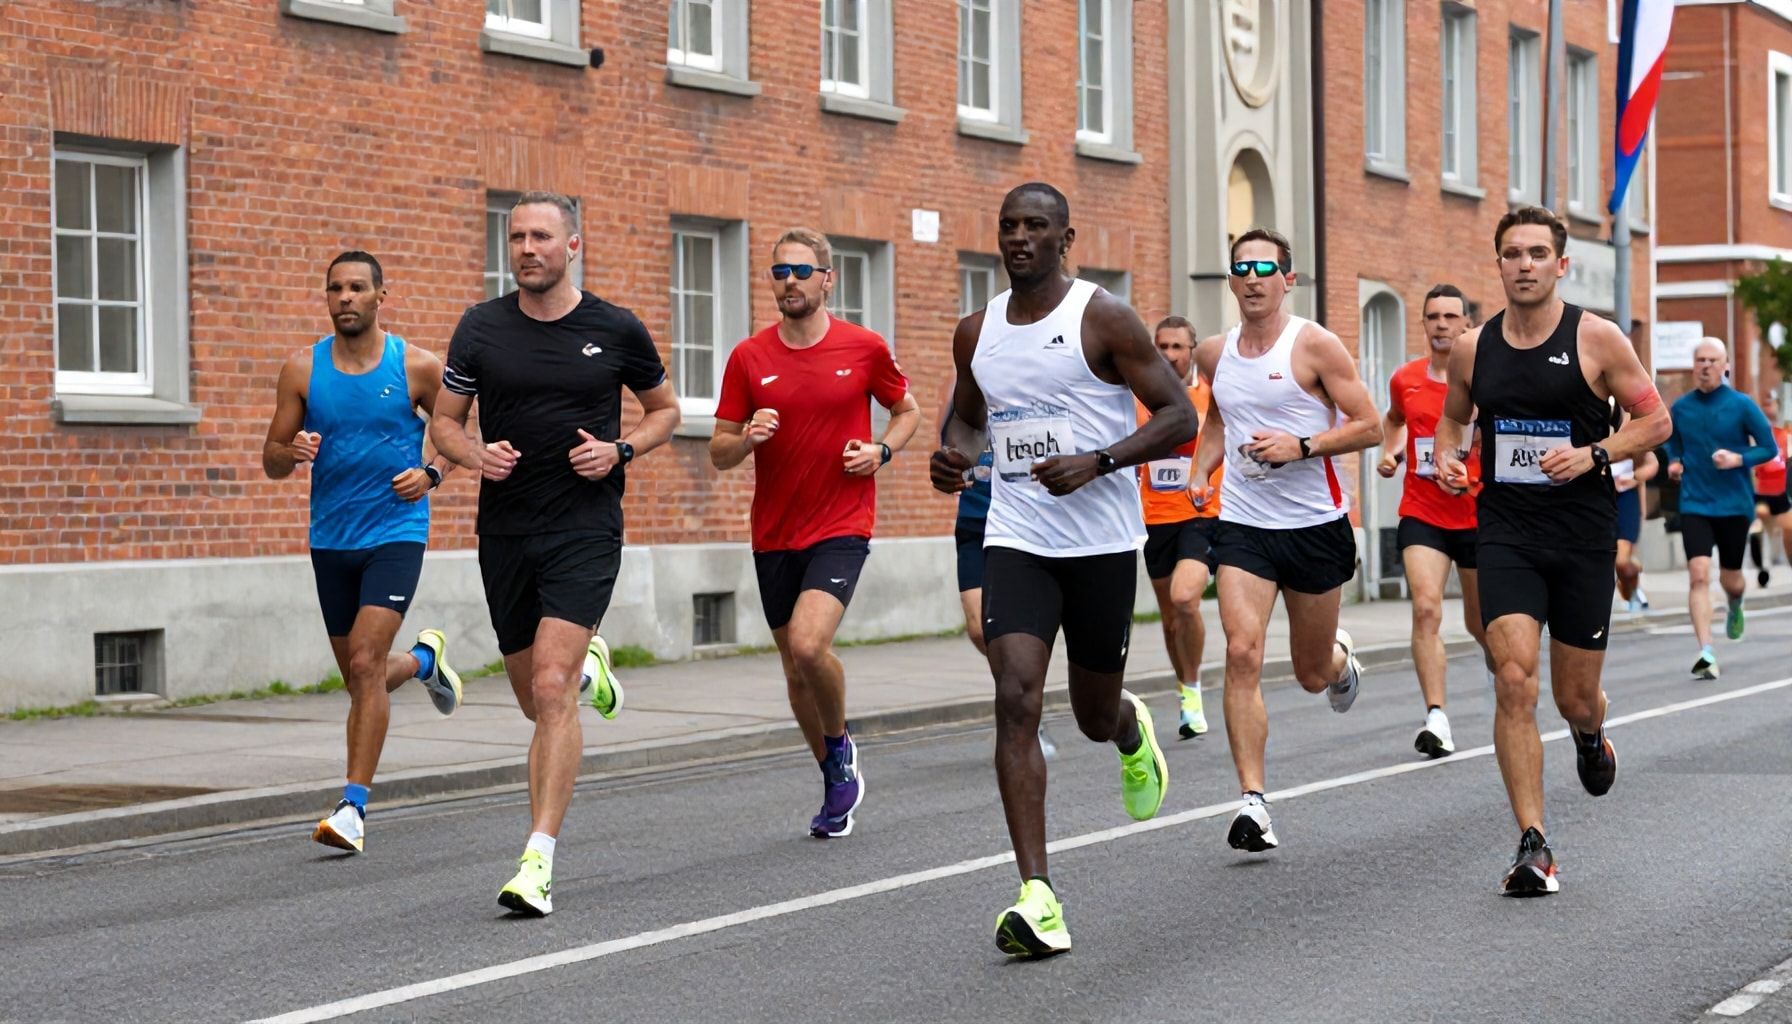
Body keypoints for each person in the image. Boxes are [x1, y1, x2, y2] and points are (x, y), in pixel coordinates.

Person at [930, 182, 1193, 958]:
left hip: (1103, 544)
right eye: (1008, 226)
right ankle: (1038, 896)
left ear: (1064, 238)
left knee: (1088, 712)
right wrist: (956, 460)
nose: (1018, 239)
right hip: (1017, 536)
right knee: (1016, 698)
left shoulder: (1102, 317)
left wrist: (1100, 461)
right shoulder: (976, 331)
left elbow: (1181, 415)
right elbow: (970, 418)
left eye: (1035, 227)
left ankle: (1127, 728)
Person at [431, 192, 680, 915]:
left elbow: (666, 411)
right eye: (516, 238)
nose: (527, 248)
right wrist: (476, 456)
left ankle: (537, 858)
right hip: (506, 531)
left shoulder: (615, 327)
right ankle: (590, 670)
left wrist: (621, 448)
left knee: (549, 687)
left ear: (574, 244)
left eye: (542, 236)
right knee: (534, 701)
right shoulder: (480, 329)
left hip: (585, 527)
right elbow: (446, 424)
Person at [1434, 205, 1671, 896]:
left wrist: (1594, 451)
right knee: (1513, 678)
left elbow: (1655, 420)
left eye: (1538, 253)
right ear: (1500, 263)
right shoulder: (1474, 347)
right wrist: (1451, 457)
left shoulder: (1597, 339)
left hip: (1581, 538)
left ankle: (1591, 733)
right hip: (1505, 532)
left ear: (1560, 264)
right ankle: (1533, 843)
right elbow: (1454, 417)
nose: (1525, 264)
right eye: (1513, 253)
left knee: (1572, 697)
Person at [711, 227, 920, 839]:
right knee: (793, 668)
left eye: (803, 271)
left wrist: (881, 452)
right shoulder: (750, 357)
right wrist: (745, 437)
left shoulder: (864, 348)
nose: (791, 282)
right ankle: (834, 769)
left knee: (808, 644)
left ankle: (840, 739)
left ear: (829, 279)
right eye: (780, 272)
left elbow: (906, 412)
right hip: (774, 532)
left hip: (841, 524)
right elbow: (719, 451)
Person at [262, 250, 464, 854]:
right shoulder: (302, 370)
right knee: (362, 677)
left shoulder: (419, 368)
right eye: (335, 289)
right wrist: (291, 450)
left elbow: (457, 435)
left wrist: (431, 474)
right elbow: (271, 460)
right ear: (326, 299)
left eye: (356, 288)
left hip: (396, 534)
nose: (345, 298)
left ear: (381, 295)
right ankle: (425, 664)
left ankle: (353, 807)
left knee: (364, 663)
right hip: (331, 539)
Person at [1190, 228, 1382, 853]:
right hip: (1244, 524)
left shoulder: (1315, 346)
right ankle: (1253, 802)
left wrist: (1302, 445)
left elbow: (1371, 425)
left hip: (1314, 526)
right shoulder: (1216, 353)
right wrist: (1201, 471)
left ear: (1288, 279)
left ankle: (1336, 662)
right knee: (1242, 651)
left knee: (1306, 671)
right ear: (1231, 279)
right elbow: (1219, 416)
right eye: (1241, 268)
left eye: (1264, 269)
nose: (1252, 278)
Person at [1374, 283, 1493, 759]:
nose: (1441, 325)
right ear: (1423, 324)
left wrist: (1472, 466)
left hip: (1478, 511)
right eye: (1433, 317)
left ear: (1466, 324)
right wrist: (1390, 451)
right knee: (1426, 608)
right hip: (1422, 511)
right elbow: (1394, 419)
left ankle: (1499, 667)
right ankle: (1437, 718)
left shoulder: (1486, 382)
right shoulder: (1405, 378)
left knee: (1482, 622)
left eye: (1450, 316)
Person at [935, 374, 1056, 760]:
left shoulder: (1028, 382)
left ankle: (1024, 711)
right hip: (973, 518)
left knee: (1011, 631)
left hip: (1017, 523)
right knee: (978, 629)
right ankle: (1020, 696)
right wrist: (949, 465)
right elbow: (947, 439)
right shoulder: (958, 384)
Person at [1664, 339, 1776, 680]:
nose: (1706, 366)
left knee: (1733, 580)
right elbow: (1672, 441)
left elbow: (1769, 448)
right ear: (1693, 365)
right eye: (1700, 360)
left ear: (1725, 366)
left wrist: (1738, 458)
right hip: (1695, 501)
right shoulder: (1681, 407)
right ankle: (1706, 652)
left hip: (1734, 504)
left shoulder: (1741, 405)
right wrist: (1673, 461)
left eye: (1713, 360)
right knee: (1698, 574)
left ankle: (1736, 603)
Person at [1138, 315, 1223, 739]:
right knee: (1171, 619)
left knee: (1185, 598)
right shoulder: (1139, 398)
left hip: (1201, 514)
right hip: (1154, 519)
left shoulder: (1211, 394)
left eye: (1177, 347)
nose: (1169, 355)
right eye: (1162, 347)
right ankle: (1187, 690)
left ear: (1193, 351)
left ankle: (1193, 690)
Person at [1610, 403, 1660, 614]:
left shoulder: (1630, 427)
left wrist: (1634, 478)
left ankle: (1633, 581)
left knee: (1621, 562)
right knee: (1608, 560)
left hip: (1626, 498)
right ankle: (1631, 590)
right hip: (1598, 497)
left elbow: (1651, 464)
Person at [1748, 392, 1790, 588]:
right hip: (1760, 493)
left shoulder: (1785, 434)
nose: (1768, 409)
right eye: (1764, 405)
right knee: (1758, 526)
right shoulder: (1754, 434)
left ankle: (1781, 561)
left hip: (1781, 493)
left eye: (1771, 404)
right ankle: (1762, 568)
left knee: (1786, 529)